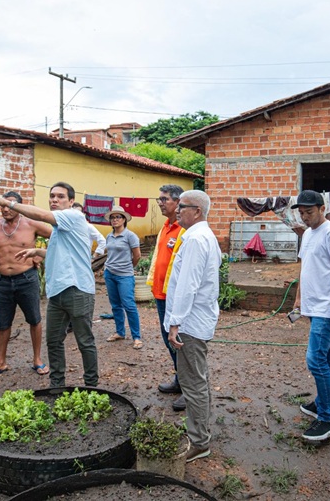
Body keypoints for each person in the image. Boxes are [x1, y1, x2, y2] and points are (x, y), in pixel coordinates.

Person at [0, 182, 98, 388]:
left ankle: (91, 385)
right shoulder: (60, 227)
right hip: (57, 292)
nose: (54, 200)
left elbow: (39, 216)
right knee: (54, 341)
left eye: (60, 197)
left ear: (71, 201)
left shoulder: (73, 217)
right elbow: (66, 255)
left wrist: (7, 203)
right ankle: (57, 385)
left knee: (85, 341)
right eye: (52, 196)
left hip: (77, 290)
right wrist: (38, 252)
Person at [292, 190, 330, 441]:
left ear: (321, 208)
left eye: (309, 212)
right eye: (301, 212)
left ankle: (326, 420)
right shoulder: (307, 234)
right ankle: (321, 402)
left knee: (315, 360)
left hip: (328, 308)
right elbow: (305, 268)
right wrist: (298, 299)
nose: (305, 217)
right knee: (325, 357)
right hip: (312, 305)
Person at [165, 190, 221, 462]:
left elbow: (188, 285)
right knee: (197, 378)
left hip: (190, 323)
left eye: (182, 206)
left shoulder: (197, 239)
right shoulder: (200, 237)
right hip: (195, 319)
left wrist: (175, 322)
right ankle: (198, 427)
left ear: (196, 211)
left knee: (192, 382)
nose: (176, 210)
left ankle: (199, 441)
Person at [0, 191, 52, 379]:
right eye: (3, 206)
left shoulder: (31, 225)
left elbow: (59, 238)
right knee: (3, 323)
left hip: (27, 279)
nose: (6, 209)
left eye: (10, 205)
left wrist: (39, 253)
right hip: (2, 282)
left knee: (34, 319)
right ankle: (0, 362)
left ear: (19, 207)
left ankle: (37, 360)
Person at [147, 184, 187, 411]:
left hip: (174, 297)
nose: (160, 203)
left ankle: (189, 389)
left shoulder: (184, 229)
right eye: (159, 199)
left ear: (177, 202)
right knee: (168, 340)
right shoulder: (165, 226)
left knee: (180, 343)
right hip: (161, 293)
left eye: (164, 200)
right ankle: (180, 380)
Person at [103, 205, 143, 348]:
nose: (115, 220)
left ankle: (136, 337)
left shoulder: (130, 236)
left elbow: (137, 256)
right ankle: (120, 332)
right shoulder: (109, 236)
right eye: (113, 217)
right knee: (115, 305)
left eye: (118, 217)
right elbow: (110, 254)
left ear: (124, 219)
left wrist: (128, 267)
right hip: (110, 274)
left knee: (129, 305)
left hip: (125, 275)